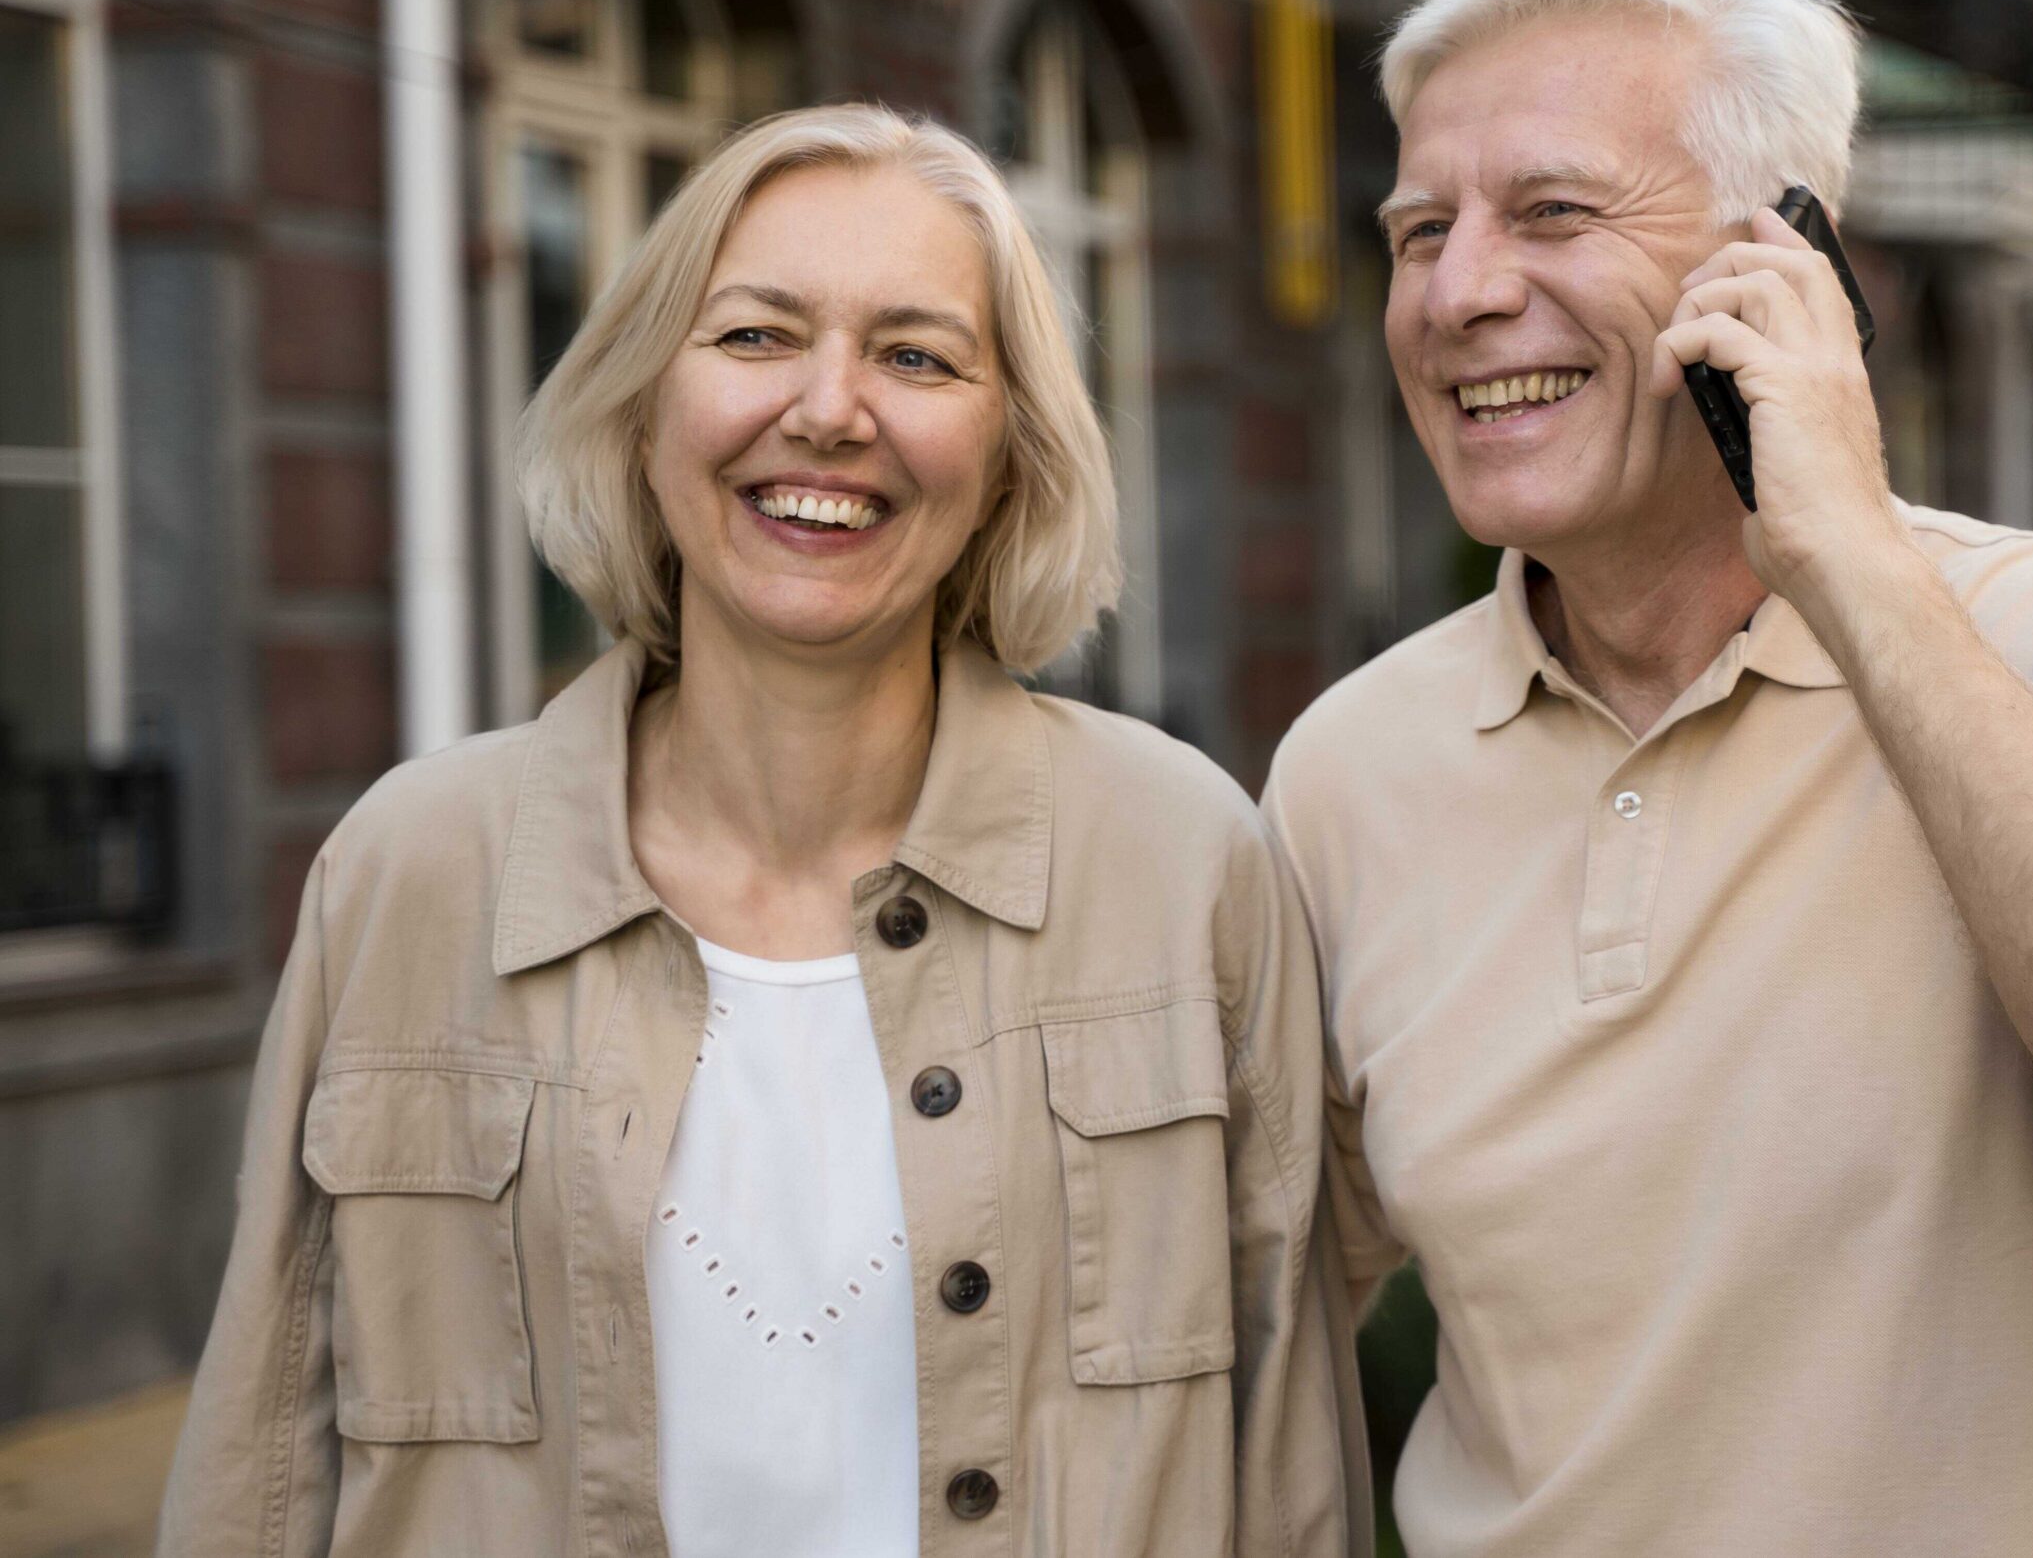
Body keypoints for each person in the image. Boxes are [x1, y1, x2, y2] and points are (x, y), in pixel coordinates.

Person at [1262, 0, 2033, 1557]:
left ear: (1783, 265)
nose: (1459, 292)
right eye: (1420, 231)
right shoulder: (1348, 767)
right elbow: (1241, 1317)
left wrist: (1851, 559)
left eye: (1553, 212)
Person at [159, 103, 1356, 1558]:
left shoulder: (1182, 864)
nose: (832, 410)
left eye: (917, 356)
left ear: (1008, 456)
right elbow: (266, 1449)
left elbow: (1292, 1462)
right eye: (756, 336)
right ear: (644, 402)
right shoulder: (413, 870)